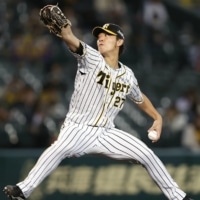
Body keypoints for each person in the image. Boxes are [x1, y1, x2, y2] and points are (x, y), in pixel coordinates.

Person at [3, 5, 193, 200]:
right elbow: (70, 38)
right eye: (99, 35)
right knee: (59, 149)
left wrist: (157, 117)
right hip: (77, 128)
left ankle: (179, 197)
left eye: (107, 35)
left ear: (119, 41)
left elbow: (139, 97)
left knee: (146, 154)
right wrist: (64, 29)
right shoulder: (90, 57)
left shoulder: (128, 74)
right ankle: (22, 190)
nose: (100, 38)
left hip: (106, 132)